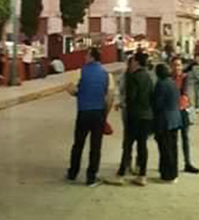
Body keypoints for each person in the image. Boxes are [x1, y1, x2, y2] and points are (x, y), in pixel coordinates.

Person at [66, 47, 110, 187]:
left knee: (78, 144)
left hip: (83, 112)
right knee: (95, 146)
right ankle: (91, 177)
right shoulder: (106, 74)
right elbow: (110, 96)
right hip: (98, 113)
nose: (85, 57)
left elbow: (71, 88)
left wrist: (79, 94)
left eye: (87, 55)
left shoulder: (80, 71)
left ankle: (73, 173)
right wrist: (105, 114)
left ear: (92, 57)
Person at [116, 54, 153, 185]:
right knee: (142, 146)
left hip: (134, 116)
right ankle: (142, 175)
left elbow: (131, 97)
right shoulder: (149, 76)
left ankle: (121, 173)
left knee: (128, 144)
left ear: (136, 62)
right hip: (147, 115)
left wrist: (124, 104)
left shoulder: (133, 77)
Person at [172, 57, 199, 174]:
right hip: (172, 111)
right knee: (173, 139)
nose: (177, 67)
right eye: (175, 65)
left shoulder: (185, 77)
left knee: (185, 138)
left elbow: (184, 93)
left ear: (182, 66)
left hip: (183, 110)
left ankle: (187, 163)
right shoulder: (168, 78)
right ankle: (172, 164)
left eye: (179, 65)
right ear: (171, 66)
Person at [154, 63, 181, 182]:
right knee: (173, 147)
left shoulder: (161, 84)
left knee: (165, 148)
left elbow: (158, 104)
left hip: (165, 120)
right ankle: (173, 173)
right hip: (175, 118)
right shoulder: (172, 82)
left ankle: (167, 174)